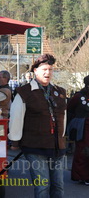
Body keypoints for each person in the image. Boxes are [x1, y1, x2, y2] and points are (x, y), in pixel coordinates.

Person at [9, 54, 66, 198]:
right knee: (43, 185)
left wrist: (62, 136)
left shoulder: (59, 92)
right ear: (35, 71)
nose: (48, 73)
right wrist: (15, 140)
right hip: (35, 145)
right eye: (44, 69)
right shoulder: (25, 92)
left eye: (51, 69)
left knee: (58, 185)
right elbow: (16, 117)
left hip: (57, 146)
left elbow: (63, 115)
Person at [67, 75, 89, 185]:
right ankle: (81, 176)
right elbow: (69, 109)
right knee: (82, 151)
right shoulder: (78, 96)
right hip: (83, 127)